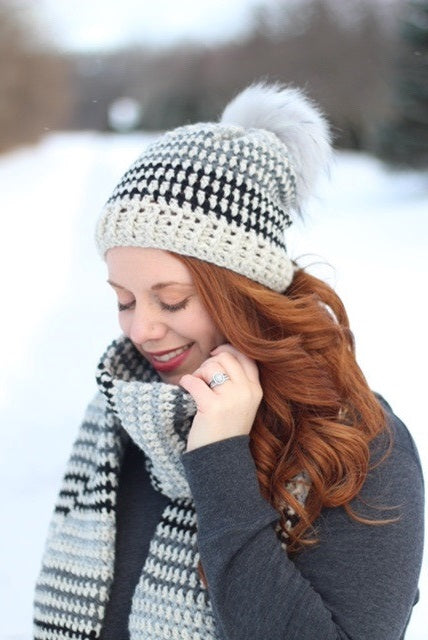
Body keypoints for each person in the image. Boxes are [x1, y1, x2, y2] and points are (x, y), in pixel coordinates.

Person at [33, 83, 424, 640]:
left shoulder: (358, 447)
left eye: (173, 301)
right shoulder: (123, 414)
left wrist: (220, 460)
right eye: (124, 300)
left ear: (246, 294)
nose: (141, 330)